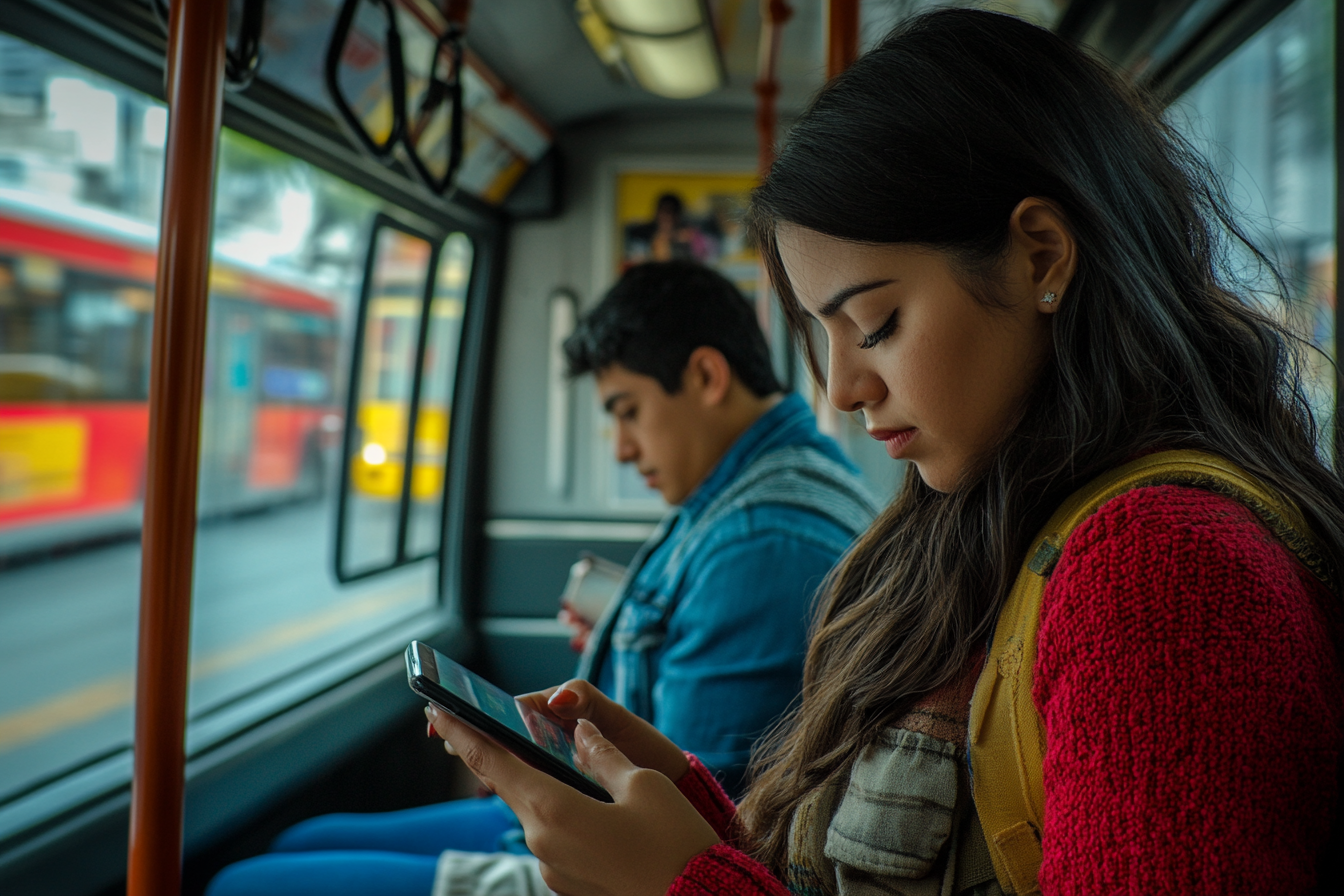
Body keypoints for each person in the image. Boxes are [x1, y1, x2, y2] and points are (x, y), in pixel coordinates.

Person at [424, 9, 1344, 896]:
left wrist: (680, 888)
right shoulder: (976, 522)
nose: (841, 389)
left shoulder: (1162, 576)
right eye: (822, 337)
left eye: (876, 323)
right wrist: (701, 822)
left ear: (1040, 257)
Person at [204, 261, 878, 896]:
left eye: (626, 410)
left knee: (245, 886)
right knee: (306, 836)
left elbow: (708, 820)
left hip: (621, 859)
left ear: (705, 376)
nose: (621, 447)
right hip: (602, 811)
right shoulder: (755, 492)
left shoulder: (760, 538)